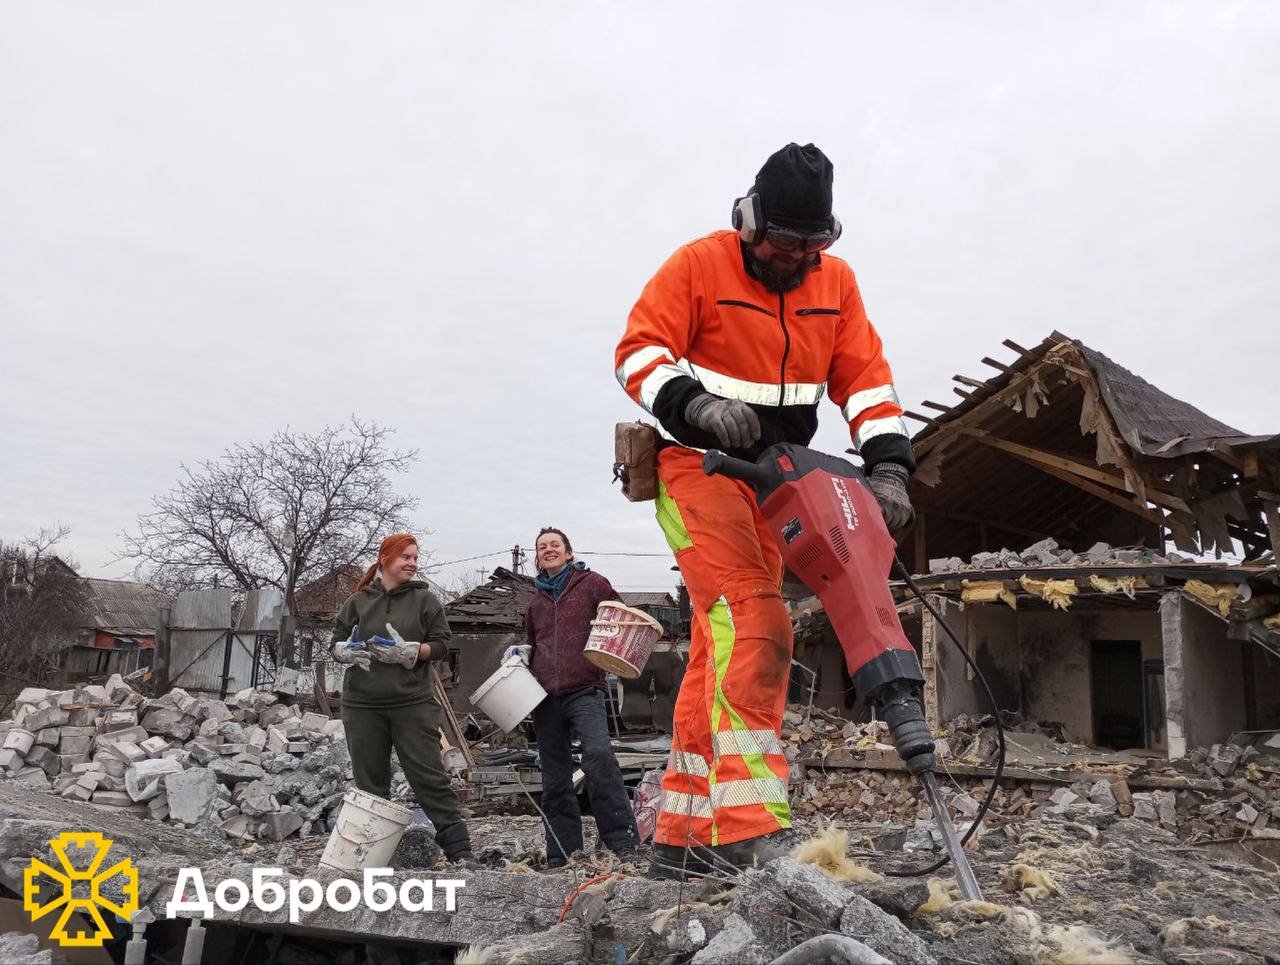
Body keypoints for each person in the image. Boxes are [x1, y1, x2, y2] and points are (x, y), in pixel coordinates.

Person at [613, 143, 916, 877]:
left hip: (779, 481)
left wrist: (889, 468)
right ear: (749, 221)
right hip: (700, 467)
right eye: (786, 242)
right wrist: (696, 404)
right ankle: (748, 822)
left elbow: (867, 383)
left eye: (814, 244)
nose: (798, 258)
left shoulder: (834, 284)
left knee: (722, 645)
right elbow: (637, 352)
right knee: (756, 616)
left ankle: (682, 836)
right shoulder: (699, 265)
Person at [330, 532, 474, 864]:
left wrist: (413, 651)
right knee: (370, 785)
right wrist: (343, 651)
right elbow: (335, 643)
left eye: (415, 557)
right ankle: (367, 860)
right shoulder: (357, 602)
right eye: (405, 557)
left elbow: (441, 644)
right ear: (385, 559)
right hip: (363, 704)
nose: (412, 563)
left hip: (412, 702)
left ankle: (461, 854)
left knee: (428, 776)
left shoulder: (425, 601)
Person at [507, 527, 641, 867]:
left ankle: (623, 844)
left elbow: (620, 617)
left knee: (598, 756)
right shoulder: (535, 602)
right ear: (538, 558)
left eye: (555, 545)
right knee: (554, 777)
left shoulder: (592, 583)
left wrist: (609, 638)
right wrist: (521, 655)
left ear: (568, 552)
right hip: (545, 699)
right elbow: (533, 643)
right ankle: (562, 855)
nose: (548, 550)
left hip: (585, 689)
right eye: (542, 547)